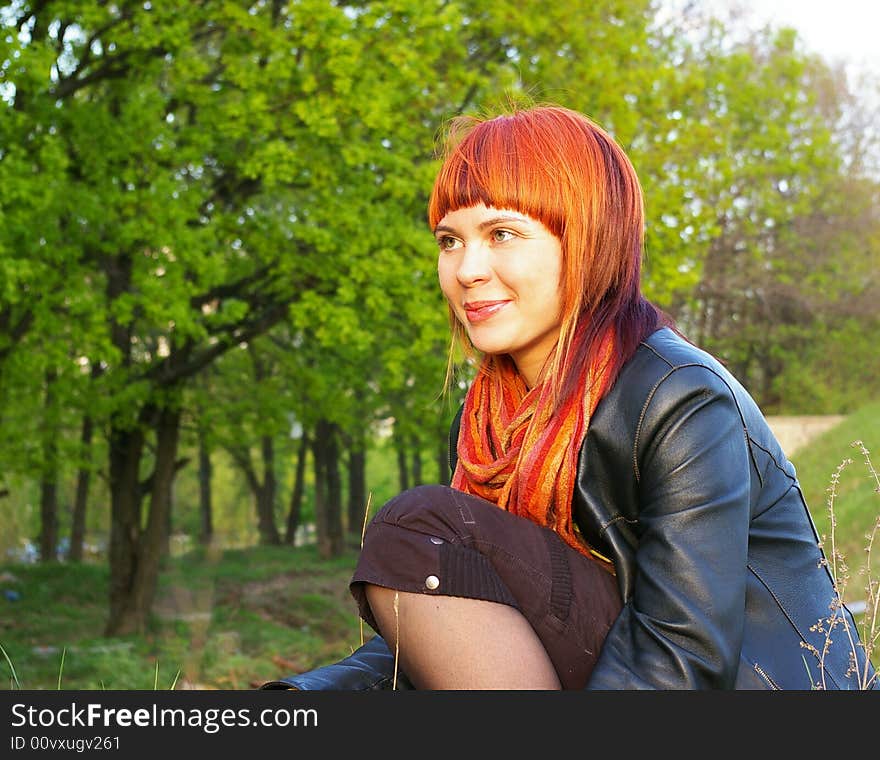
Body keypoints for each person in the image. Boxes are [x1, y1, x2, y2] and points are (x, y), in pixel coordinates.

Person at [262, 104, 875, 690]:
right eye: (450, 240)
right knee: (422, 545)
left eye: (502, 232)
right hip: (614, 660)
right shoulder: (488, 420)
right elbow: (454, 613)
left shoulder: (680, 399)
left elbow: (685, 656)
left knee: (413, 526)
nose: (467, 269)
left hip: (760, 691)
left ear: (589, 240)